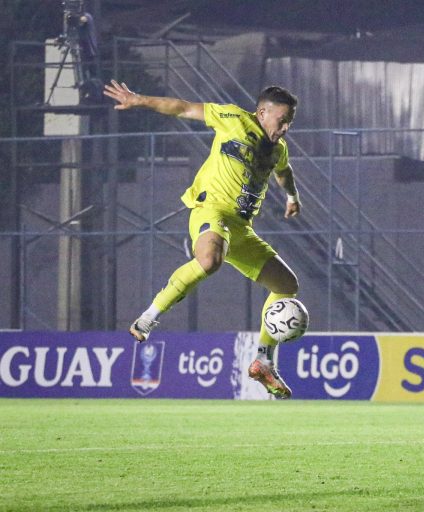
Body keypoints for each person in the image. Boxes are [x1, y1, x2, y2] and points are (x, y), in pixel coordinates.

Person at [103, 79, 302, 399]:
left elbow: (283, 170)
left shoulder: (277, 148)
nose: (285, 128)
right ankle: (149, 318)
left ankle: (264, 361)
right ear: (262, 112)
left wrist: (292, 196)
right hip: (211, 212)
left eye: (289, 122)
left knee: (286, 286)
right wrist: (138, 99)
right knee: (209, 261)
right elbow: (183, 108)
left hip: (241, 229)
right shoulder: (234, 119)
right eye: (282, 121)